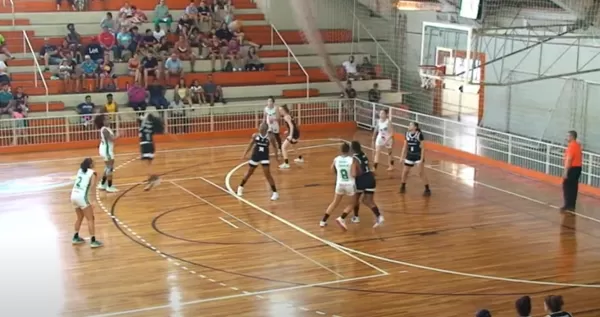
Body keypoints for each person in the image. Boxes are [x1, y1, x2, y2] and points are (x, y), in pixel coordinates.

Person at [320, 142, 359, 230]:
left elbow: (332, 169)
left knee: (334, 202)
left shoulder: (336, 159)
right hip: (349, 184)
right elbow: (353, 174)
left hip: (339, 183)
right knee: (353, 203)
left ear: (340, 150)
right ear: (349, 150)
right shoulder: (352, 160)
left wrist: (338, 174)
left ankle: (323, 221)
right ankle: (342, 218)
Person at [236, 122, 279, 201]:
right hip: (255, 156)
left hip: (265, 156)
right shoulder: (255, 135)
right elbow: (250, 145)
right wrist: (244, 154)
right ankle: (240, 187)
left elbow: (275, 147)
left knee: (267, 174)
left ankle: (275, 193)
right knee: (249, 172)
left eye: (261, 127)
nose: (260, 129)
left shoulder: (270, 137)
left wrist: (277, 157)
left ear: (265, 129)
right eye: (260, 127)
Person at [70, 158, 103, 248]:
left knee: (79, 217)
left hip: (73, 195)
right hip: (81, 197)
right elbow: (92, 188)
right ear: (91, 165)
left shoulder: (80, 170)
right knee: (90, 218)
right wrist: (93, 200)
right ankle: (93, 241)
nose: (94, 163)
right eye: (93, 162)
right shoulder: (92, 173)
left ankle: (75, 237)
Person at [350, 141, 384, 227]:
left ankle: (356, 217)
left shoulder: (354, 158)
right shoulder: (363, 154)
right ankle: (379, 216)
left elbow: (354, 173)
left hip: (362, 179)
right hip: (370, 178)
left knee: (356, 199)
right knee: (368, 200)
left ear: (352, 149)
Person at [399, 122, 431, 196]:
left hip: (418, 155)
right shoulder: (407, 134)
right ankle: (403, 186)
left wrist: (422, 159)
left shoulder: (419, 135)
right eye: (409, 124)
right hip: (410, 155)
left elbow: (423, 148)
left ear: (415, 127)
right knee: (405, 172)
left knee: (421, 173)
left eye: (411, 125)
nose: (409, 126)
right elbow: (405, 146)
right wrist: (401, 157)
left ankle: (427, 189)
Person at [139, 112, 164, 191]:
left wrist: (143, 118)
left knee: (146, 165)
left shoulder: (144, 124)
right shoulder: (151, 126)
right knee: (149, 164)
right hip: (151, 145)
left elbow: (141, 118)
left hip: (145, 145)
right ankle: (150, 180)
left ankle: (153, 179)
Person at [95, 114, 118, 193]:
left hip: (105, 149)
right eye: (107, 120)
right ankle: (109, 186)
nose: (109, 121)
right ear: (103, 121)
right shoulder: (104, 130)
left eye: (109, 119)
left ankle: (102, 184)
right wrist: (119, 134)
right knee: (110, 167)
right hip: (107, 150)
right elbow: (112, 139)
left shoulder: (106, 128)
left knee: (107, 167)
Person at [561, 130, 582, 212]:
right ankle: (572, 205)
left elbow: (569, 159)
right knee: (574, 187)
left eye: (568, 136)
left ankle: (567, 205)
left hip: (572, 168)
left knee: (566, 186)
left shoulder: (572, 146)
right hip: (578, 168)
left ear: (571, 137)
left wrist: (566, 171)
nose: (566, 138)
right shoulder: (577, 145)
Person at [278, 104, 303, 169]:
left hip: (293, 133)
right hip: (296, 132)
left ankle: (286, 163)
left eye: (280, 110)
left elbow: (291, 126)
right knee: (294, 146)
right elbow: (292, 125)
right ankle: (300, 158)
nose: (279, 111)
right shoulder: (289, 115)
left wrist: (290, 135)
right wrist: (288, 131)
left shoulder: (286, 117)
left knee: (283, 147)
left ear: (284, 110)